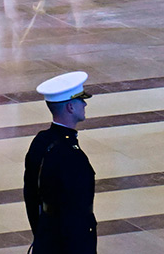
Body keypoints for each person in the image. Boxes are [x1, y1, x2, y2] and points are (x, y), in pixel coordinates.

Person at [23, 70, 97, 252]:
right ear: (70, 107)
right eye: (81, 100)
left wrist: (41, 235)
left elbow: (31, 195)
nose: (85, 104)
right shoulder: (71, 155)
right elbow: (77, 209)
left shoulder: (41, 142)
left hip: (46, 237)